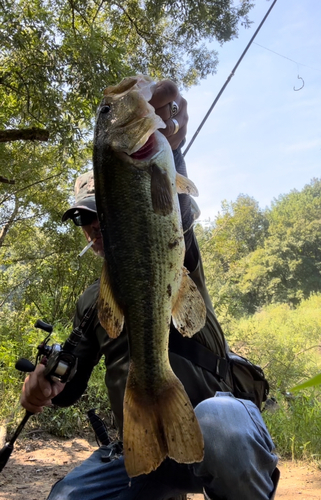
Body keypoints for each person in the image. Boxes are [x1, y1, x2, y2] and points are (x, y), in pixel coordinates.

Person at [20, 80, 279, 500]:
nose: (95, 224)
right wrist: (42, 387)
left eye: (102, 210)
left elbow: (173, 204)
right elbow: (70, 384)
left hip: (214, 429)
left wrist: (173, 147)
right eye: (83, 218)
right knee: (67, 497)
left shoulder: (177, 252)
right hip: (144, 447)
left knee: (221, 425)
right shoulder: (92, 302)